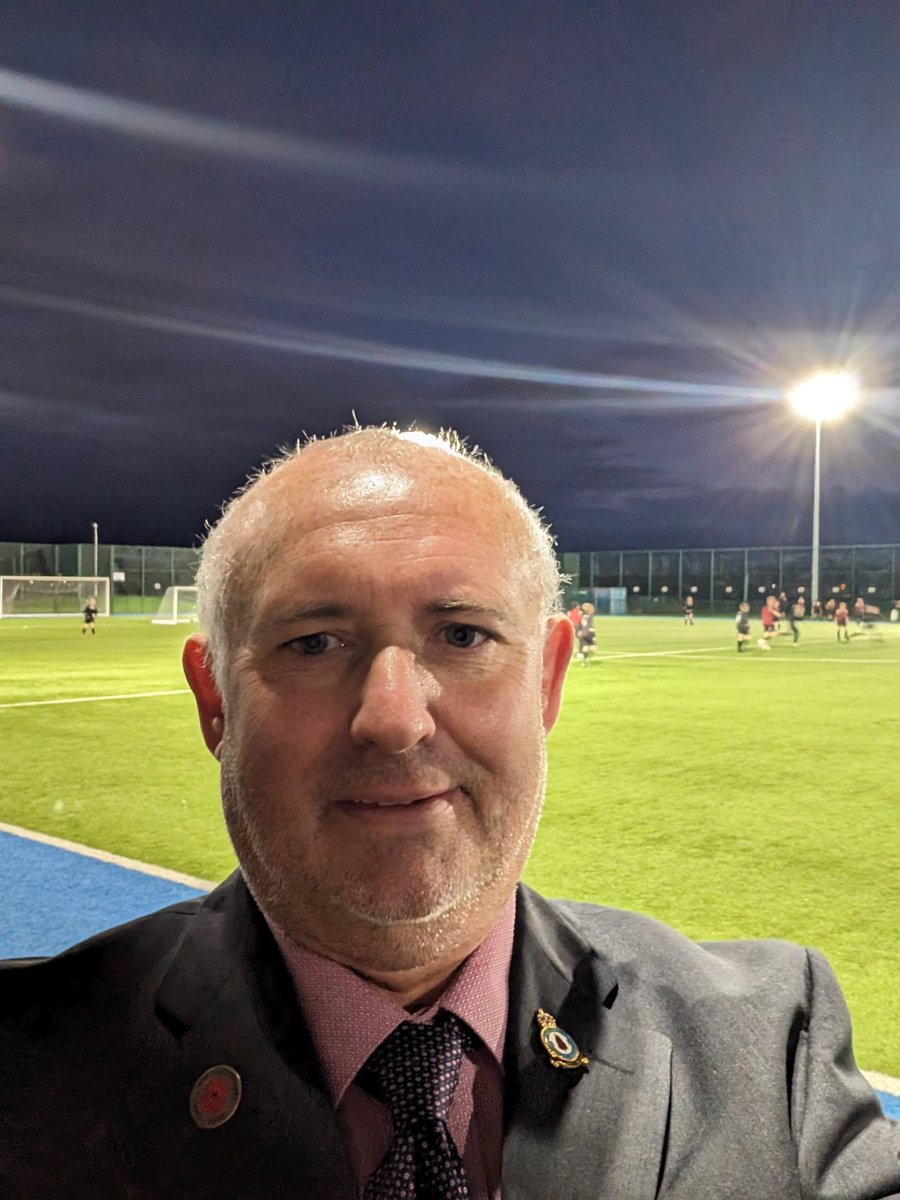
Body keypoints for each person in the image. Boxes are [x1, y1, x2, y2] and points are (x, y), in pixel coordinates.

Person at [2, 427, 898, 1200]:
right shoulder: (26, 1071)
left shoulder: (769, 1049)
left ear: (547, 679)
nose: (394, 719)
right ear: (215, 701)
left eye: (462, 635)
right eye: (314, 643)